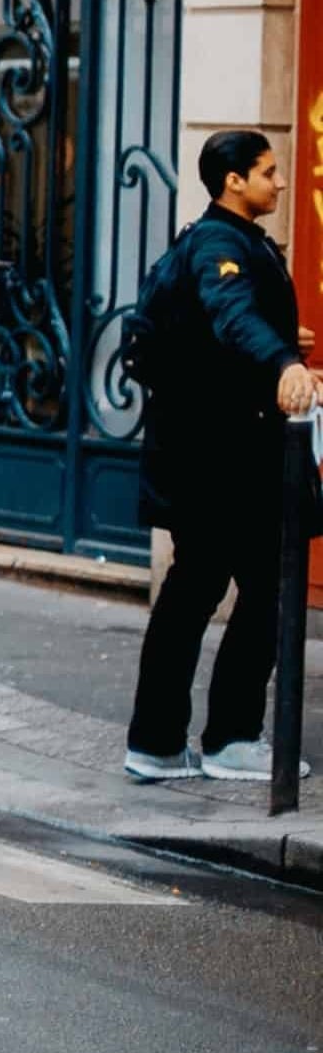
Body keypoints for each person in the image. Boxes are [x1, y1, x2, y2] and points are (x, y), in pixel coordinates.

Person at [125, 128, 316, 784]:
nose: (280, 182)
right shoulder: (217, 244)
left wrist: (286, 344)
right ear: (234, 181)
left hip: (210, 452)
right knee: (259, 585)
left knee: (203, 584)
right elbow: (231, 315)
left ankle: (159, 742)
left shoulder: (231, 240)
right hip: (220, 457)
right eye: (268, 172)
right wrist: (284, 361)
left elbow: (225, 330)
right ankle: (229, 737)